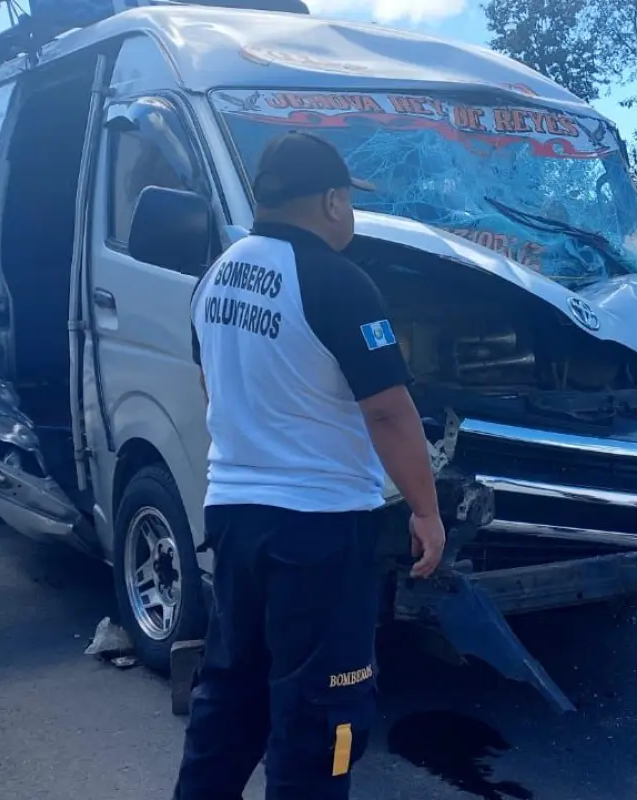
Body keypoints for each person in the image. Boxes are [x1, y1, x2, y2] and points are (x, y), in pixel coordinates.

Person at [174, 131, 447, 799]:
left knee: (231, 691)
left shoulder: (217, 276)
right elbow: (388, 411)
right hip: (320, 529)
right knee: (323, 715)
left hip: (235, 517)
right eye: (349, 200)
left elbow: (214, 389)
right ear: (330, 200)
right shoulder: (336, 280)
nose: (350, 213)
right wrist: (426, 510)